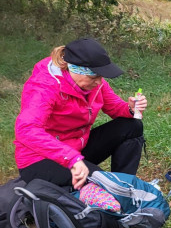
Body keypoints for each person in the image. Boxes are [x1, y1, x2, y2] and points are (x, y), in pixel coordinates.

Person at [14, 38, 147, 190]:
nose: (99, 82)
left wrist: (130, 108)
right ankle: (111, 191)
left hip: (76, 150)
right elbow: (26, 130)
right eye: (93, 77)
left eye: (100, 77)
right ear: (75, 70)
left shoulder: (95, 83)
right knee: (102, 184)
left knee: (132, 126)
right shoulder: (44, 86)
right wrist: (71, 158)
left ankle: (124, 185)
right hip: (40, 159)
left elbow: (114, 107)